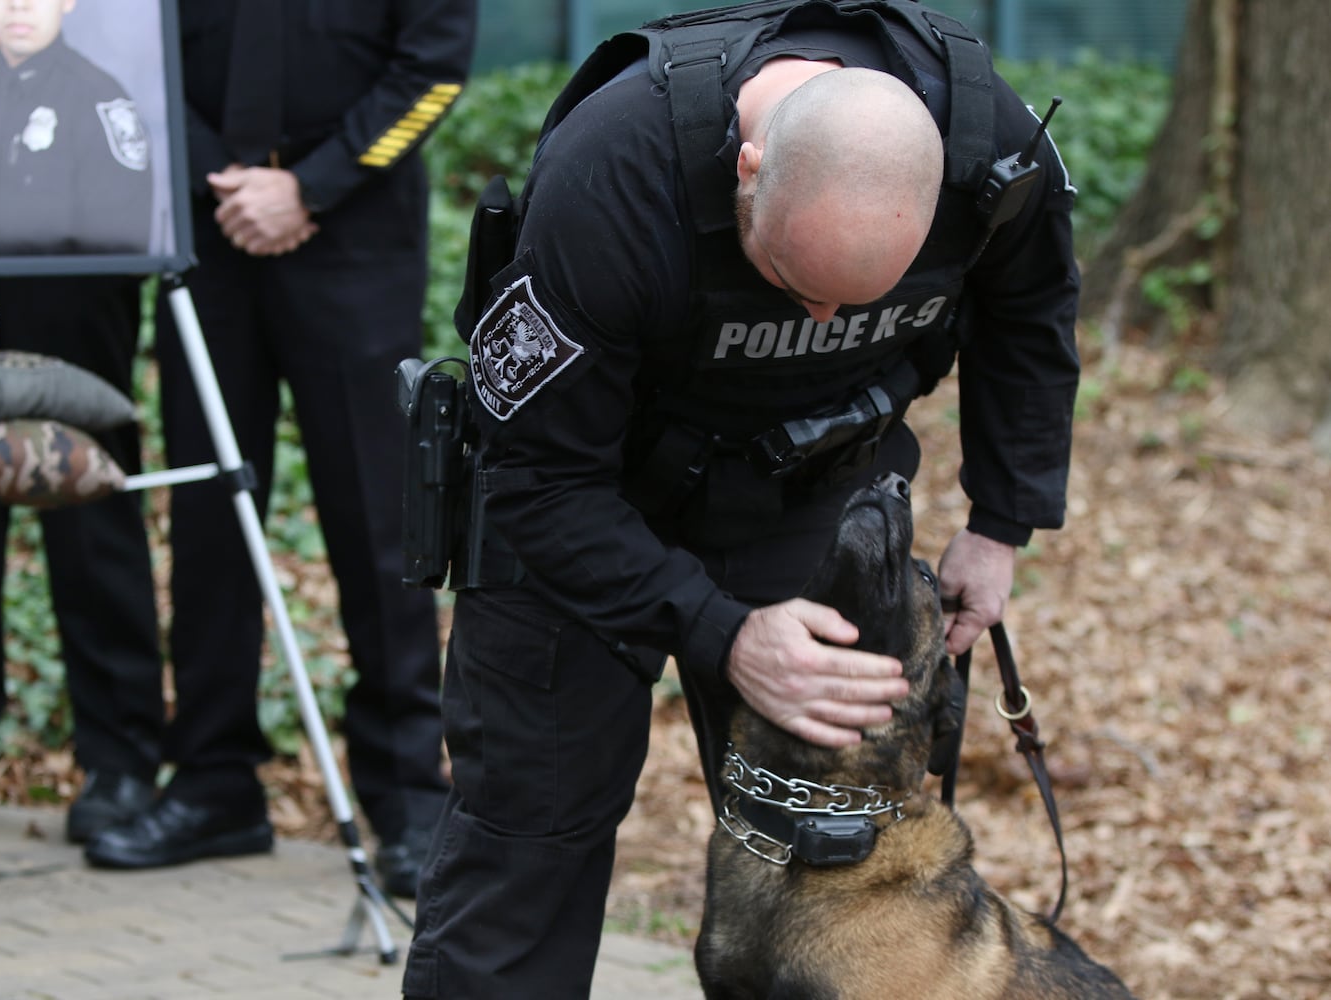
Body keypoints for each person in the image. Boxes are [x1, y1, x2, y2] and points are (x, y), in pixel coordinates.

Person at [402, 2, 1080, 997]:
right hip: (583, 511)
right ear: (748, 166)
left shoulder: (993, 152)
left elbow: (1031, 313)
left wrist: (1000, 521)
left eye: (860, 299)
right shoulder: (616, 174)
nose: (821, 320)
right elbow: (538, 480)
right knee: (527, 842)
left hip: (812, 494)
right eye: (797, 282)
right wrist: (721, 630)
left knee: (840, 852)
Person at [84, 1, 479, 901]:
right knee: (211, 512)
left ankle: (410, 794)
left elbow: (434, 73)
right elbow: (134, 55)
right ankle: (214, 780)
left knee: (380, 525)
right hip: (209, 237)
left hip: (354, 241)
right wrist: (220, 177)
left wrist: (311, 185)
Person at [0, 0, 162, 845]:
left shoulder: (100, 98)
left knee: (91, 529)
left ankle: (118, 762)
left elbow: (125, 214)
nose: (14, 9)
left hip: (71, 304)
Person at [0, 0, 152, 255]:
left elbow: (120, 252)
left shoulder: (99, 99)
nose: (18, 4)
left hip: (63, 292)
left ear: (67, 2)